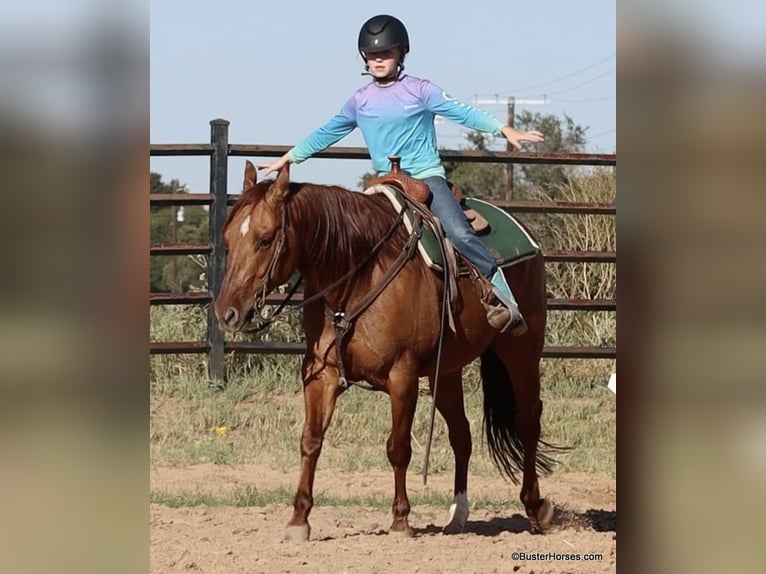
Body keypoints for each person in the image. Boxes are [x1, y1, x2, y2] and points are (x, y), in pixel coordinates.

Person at [259, 14, 544, 335]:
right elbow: (328, 132)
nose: (378, 60)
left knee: (459, 232)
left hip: (426, 179)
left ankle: (501, 296)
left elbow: (463, 112)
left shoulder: (421, 91)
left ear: (401, 54)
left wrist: (503, 129)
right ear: (364, 58)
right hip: (385, 183)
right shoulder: (359, 101)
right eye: (372, 55)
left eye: (386, 53)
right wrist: (290, 157)